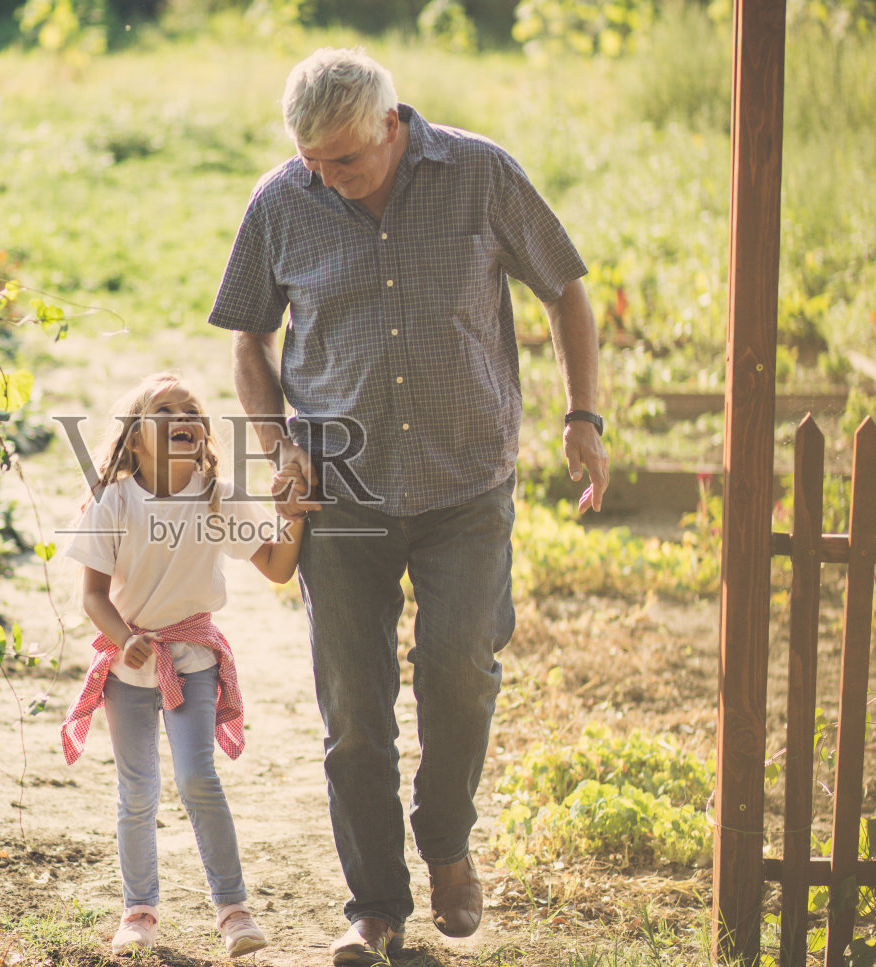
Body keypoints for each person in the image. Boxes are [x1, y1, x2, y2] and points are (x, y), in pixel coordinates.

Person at [208, 47, 610, 966]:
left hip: (465, 481)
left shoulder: (479, 174)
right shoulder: (282, 201)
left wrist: (582, 413)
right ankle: (375, 904)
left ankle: (448, 841)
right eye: (313, 160)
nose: (330, 178)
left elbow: (565, 289)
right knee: (354, 710)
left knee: (460, 669)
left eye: (345, 159)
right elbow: (249, 344)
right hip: (340, 492)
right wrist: (281, 452)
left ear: (391, 127)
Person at [58, 372, 306, 958]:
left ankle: (234, 910)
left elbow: (276, 566)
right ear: (135, 439)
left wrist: (292, 516)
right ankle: (139, 912)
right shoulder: (113, 500)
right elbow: (92, 594)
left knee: (199, 779)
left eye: (190, 409)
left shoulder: (217, 495)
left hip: (193, 660)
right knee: (138, 789)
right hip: (128, 667)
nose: (181, 417)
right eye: (164, 410)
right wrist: (123, 640)